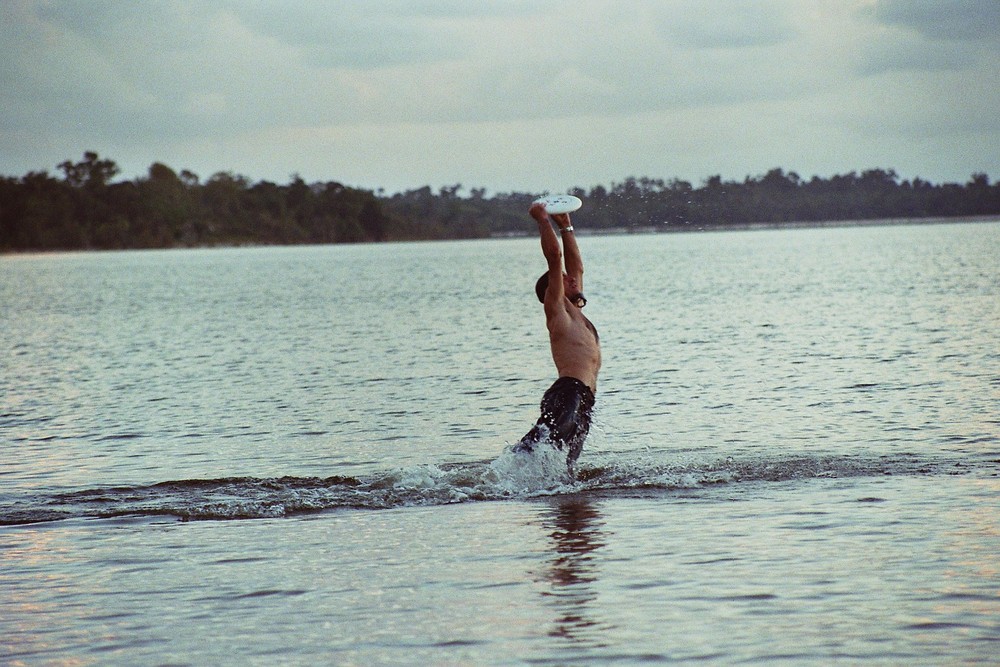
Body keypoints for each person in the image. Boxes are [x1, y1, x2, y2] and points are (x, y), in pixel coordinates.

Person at [513, 201, 602, 469]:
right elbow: (555, 259)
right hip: (568, 392)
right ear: (552, 290)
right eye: (564, 279)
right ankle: (507, 469)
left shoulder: (576, 311)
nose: (572, 280)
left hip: (585, 399)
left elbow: (577, 268)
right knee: (541, 444)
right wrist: (542, 220)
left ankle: (545, 489)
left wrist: (566, 226)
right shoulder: (557, 310)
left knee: (567, 466)